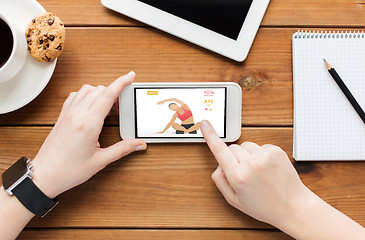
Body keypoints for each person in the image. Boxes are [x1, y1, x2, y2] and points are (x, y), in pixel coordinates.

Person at [0, 72, 364, 240]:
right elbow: (176, 115)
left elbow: (178, 116)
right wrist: (294, 208)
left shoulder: (180, 112)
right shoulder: (177, 112)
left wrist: (294, 209)